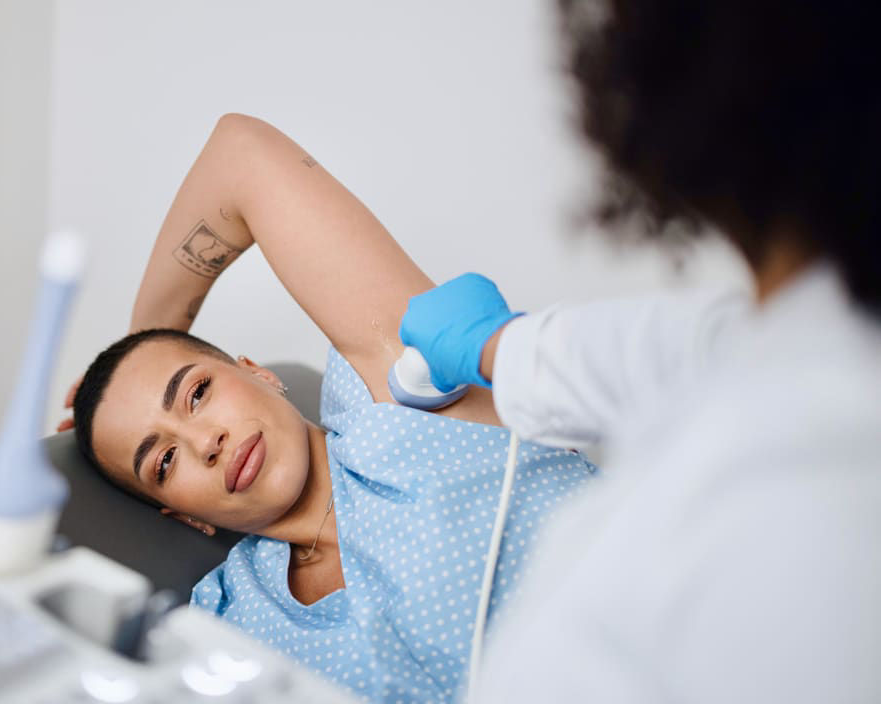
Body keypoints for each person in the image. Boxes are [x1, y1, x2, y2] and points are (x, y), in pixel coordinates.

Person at [396, 2, 881, 701]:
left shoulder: (800, 509)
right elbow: (691, 350)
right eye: (168, 458)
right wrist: (499, 345)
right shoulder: (793, 337)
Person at [67, 113, 595, 702]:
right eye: (163, 463)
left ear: (258, 373)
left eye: (196, 393)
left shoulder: (396, 400)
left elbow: (238, 154)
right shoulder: (229, 626)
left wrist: (142, 343)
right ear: (187, 517)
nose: (204, 442)